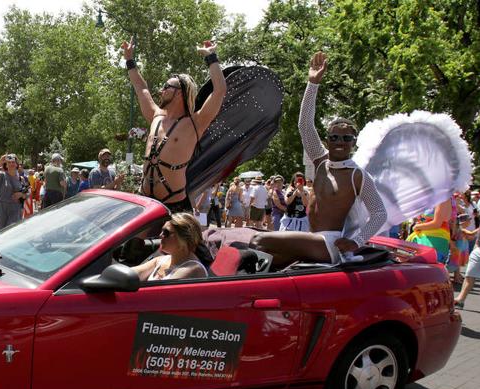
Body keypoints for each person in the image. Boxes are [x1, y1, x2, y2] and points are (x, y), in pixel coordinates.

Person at [250, 52, 387, 266]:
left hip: (330, 244)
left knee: (259, 240)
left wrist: (356, 241)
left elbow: (379, 212)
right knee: (267, 263)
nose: (340, 141)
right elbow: (305, 125)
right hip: (311, 238)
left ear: (353, 142)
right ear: (327, 140)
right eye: (334, 137)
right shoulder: (320, 161)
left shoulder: (356, 175)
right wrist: (312, 83)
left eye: (346, 138)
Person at [123, 37, 226, 213]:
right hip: (145, 203)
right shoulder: (155, 116)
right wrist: (129, 59)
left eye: (166, 87)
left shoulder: (195, 123)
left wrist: (211, 57)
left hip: (175, 207)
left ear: (180, 93)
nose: (160, 91)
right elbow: (141, 88)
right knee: (132, 242)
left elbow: (219, 91)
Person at [131, 212, 208, 281]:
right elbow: (131, 275)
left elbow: (159, 293)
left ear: (184, 238)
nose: (160, 235)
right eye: (162, 231)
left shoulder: (193, 269)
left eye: (166, 232)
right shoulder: (160, 260)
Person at [0, 153, 26, 232]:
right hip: (2, 209)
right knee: (0, 233)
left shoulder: (21, 179)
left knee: (11, 231)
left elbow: (27, 194)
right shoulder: (2, 176)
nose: (11, 164)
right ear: (6, 165)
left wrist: (21, 194)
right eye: (9, 162)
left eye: (13, 162)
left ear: (16, 164)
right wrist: (0, 162)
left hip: (15, 209)